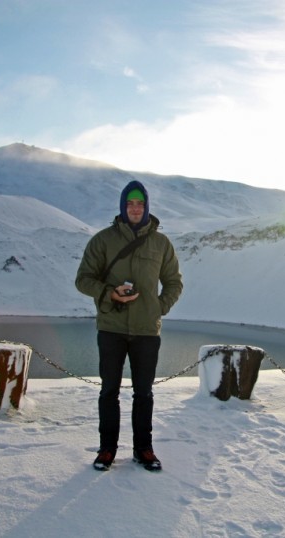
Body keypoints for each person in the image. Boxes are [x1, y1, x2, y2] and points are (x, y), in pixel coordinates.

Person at [75, 180, 183, 471]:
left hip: (147, 330)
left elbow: (174, 282)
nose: (135, 208)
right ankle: (107, 450)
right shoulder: (103, 240)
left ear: (147, 207)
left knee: (144, 393)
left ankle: (143, 449)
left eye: (140, 204)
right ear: (122, 207)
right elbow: (83, 279)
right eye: (130, 204)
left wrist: (158, 307)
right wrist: (109, 292)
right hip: (111, 327)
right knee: (109, 390)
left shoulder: (161, 243)